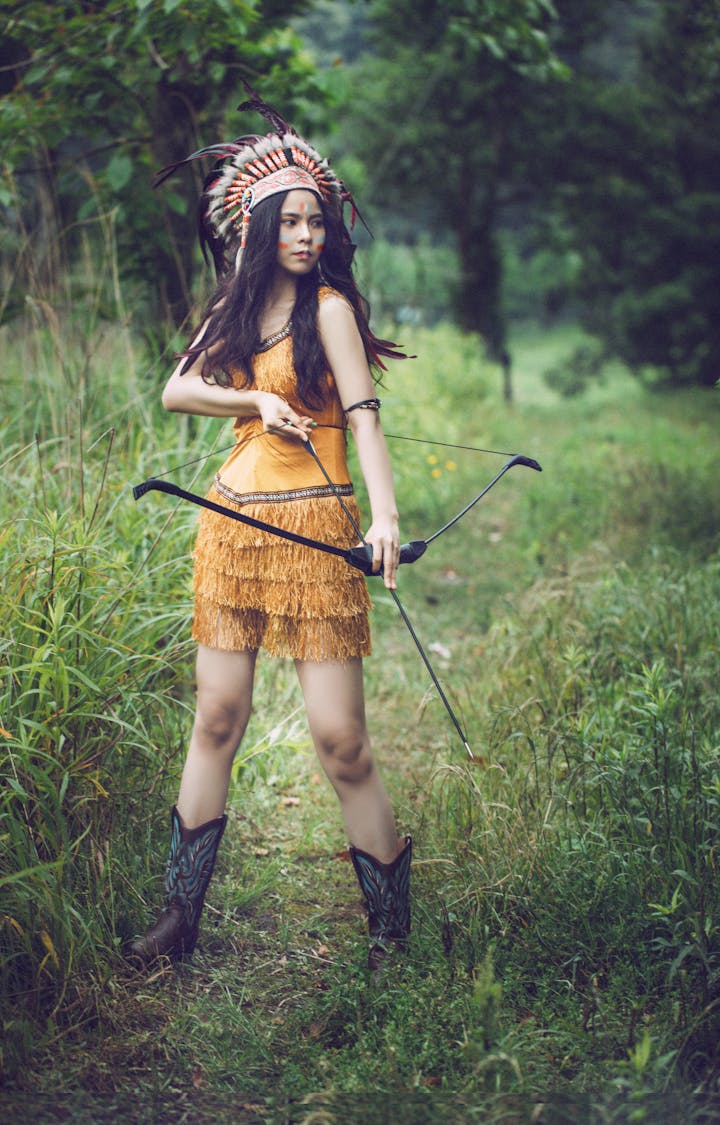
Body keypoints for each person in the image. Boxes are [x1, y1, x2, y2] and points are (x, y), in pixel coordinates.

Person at [128, 90, 411, 973]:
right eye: (288, 221)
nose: (304, 234)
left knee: (340, 739)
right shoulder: (235, 309)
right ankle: (180, 921)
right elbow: (176, 389)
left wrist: (388, 517)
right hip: (232, 529)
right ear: (257, 228)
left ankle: (389, 936)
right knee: (216, 717)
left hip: (318, 535)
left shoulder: (327, 309)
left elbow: (364, 420)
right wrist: (251, 396)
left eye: (315, 221)